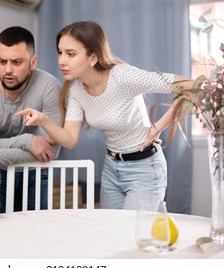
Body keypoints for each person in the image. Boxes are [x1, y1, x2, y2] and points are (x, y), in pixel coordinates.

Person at [16, 20, 194, 210]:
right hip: (111, 169)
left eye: (70, 54)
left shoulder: (123, 76)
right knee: (109, 233)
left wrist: (159, 126)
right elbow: (69, 139)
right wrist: (43, 120)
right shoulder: (75, 89)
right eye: (60, 52)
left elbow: (194, 86)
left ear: (92, 57)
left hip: (145, 169)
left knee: (132, 235)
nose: (61, 61)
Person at [0, 26, 62, 213]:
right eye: (2, 61)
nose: (8, 70)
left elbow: (49, 151)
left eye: (17, 62)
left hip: (35, 169)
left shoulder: (50, 87)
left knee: (36, 233)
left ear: (33, 61)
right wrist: (29, 141)